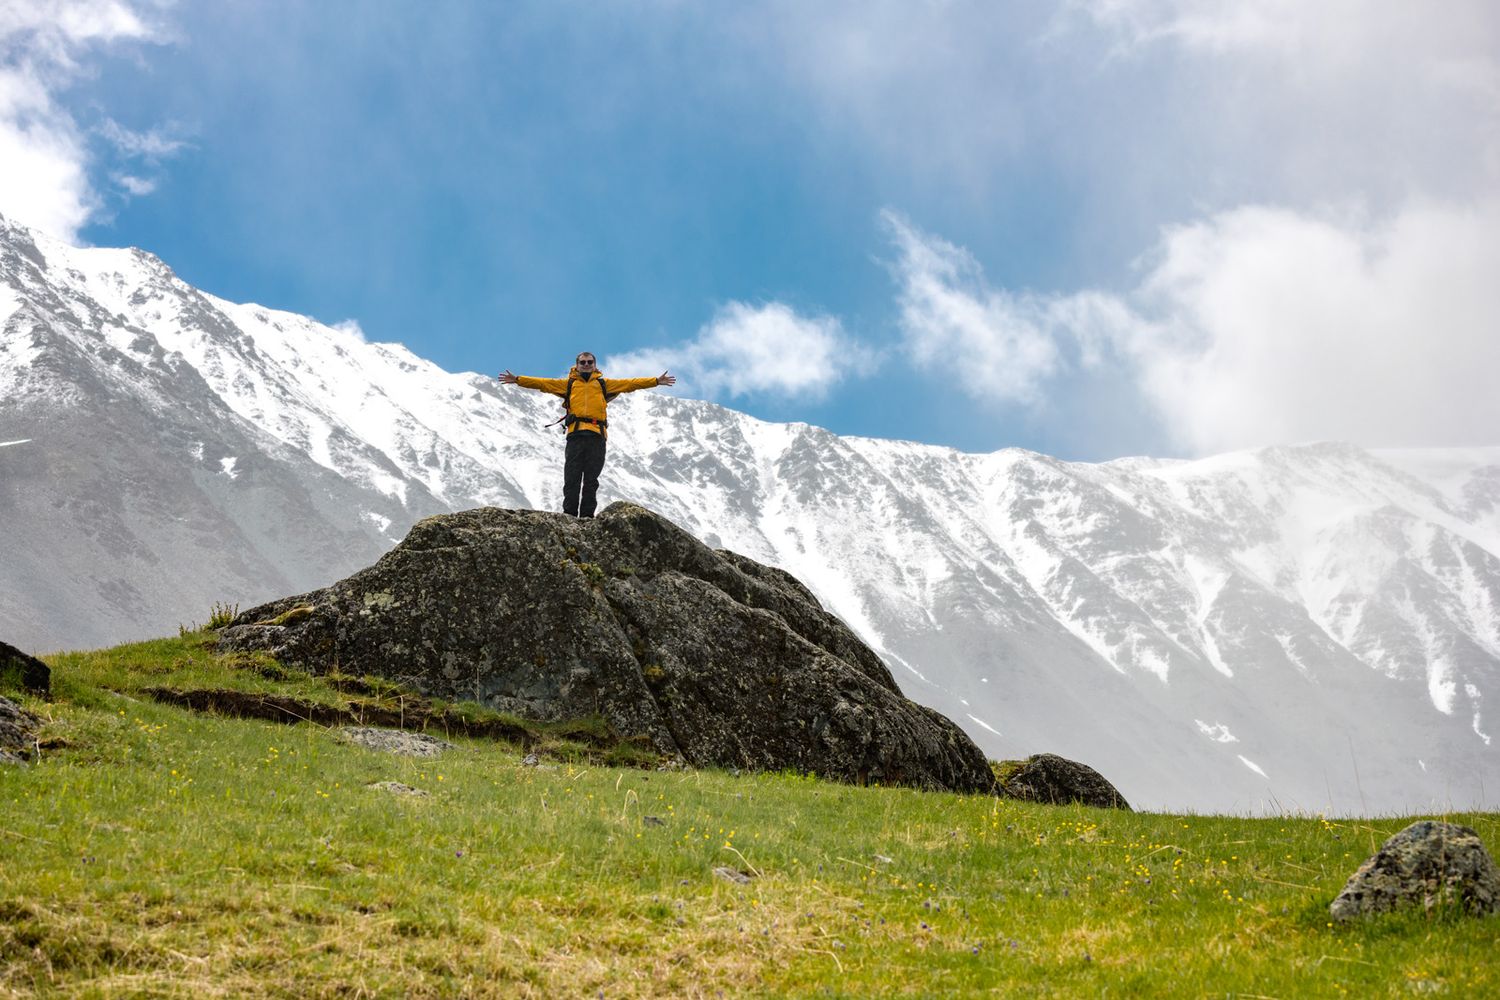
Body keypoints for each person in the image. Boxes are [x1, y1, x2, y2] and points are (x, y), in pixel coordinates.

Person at [498, 353, 676, 517]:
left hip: (597, 436)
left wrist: (655, 381)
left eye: (589, 362)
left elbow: (631, 384)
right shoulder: (568, 384)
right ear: (576, 365)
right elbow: (542, 383)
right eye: (582, 362)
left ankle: (587, 517)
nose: (586, 364)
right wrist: (518, 380)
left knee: (591, 480)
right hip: (575, 435)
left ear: (595, 365)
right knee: (571, 478)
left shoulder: (603, 384)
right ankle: (569, 515)